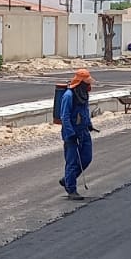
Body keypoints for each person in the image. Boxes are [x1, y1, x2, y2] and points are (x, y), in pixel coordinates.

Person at [57, 68, 95, 200]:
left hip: (84, 131)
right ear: (80, 82)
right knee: (72, 162)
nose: (89, 85)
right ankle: (71, 189)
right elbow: (65, 116)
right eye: (86, 82)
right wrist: (70, 133)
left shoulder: (83, 94)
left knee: (87, 158)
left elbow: (86, 110)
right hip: (72, 134)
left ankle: (67, 179)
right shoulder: (69, 96)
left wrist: (89, 123)